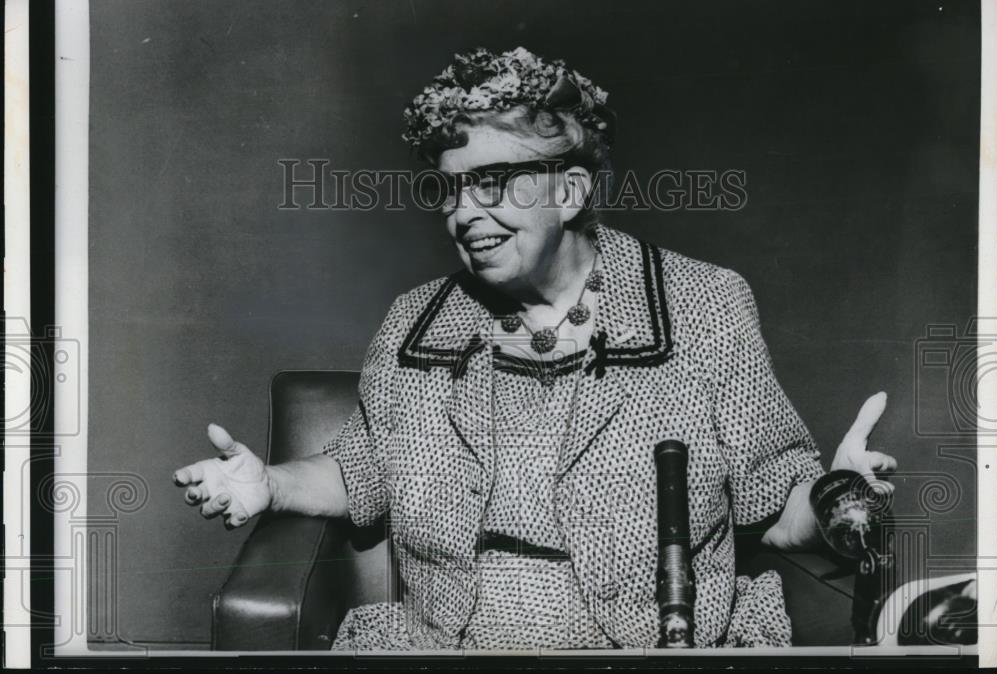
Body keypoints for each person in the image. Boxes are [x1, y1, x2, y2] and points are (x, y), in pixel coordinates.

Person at [173, 47, 899, 650]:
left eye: (492, 182)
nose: (463, 213)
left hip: (648, 654)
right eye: (450, 189)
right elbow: (362, 471)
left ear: (572, 189)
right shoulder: (413, 324)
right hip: (451, 653)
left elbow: (775, 503)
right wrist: (270, 482)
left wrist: (838, 498)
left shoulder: (704, 307)